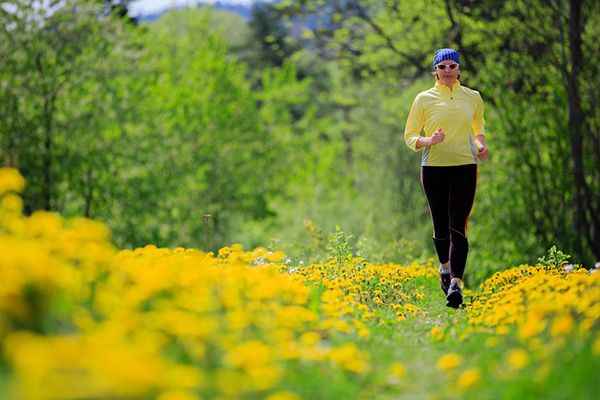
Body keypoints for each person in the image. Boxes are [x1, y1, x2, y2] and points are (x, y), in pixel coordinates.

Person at [404, 48, 489, 309]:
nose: (448, 71)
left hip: (465, 165)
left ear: (459, 68)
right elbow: (409, 136)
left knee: (458, 225)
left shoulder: (472, 97)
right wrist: (429, 140)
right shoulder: (424, 98)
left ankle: (455, 284)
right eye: (442, 67)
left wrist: (480, 145)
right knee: (440, 227)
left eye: (452, 66)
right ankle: (444, 268)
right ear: (435, 71)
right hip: (434, 168)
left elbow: (479, 128)